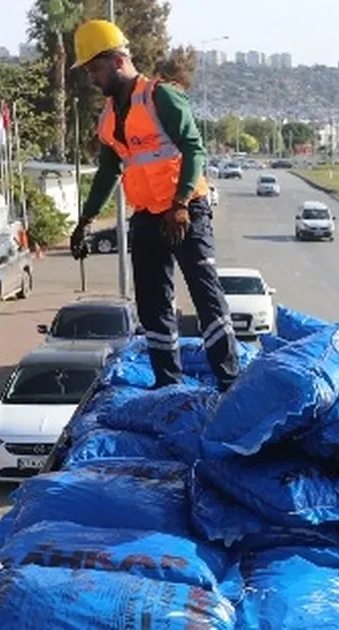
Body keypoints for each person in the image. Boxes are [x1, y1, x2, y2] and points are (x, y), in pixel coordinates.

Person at [68, 19, 240, 392]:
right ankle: (168, 386)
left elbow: (195, 148)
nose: (92, 78)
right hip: (147, 218)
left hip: (185, 212)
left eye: (94, 69)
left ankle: (230, 381)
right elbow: (107, 173)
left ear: (116, 61)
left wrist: (179, 204)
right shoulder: (109, 119)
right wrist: (85, 220)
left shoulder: (160, 96)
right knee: (153, 306)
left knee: (205, 294)